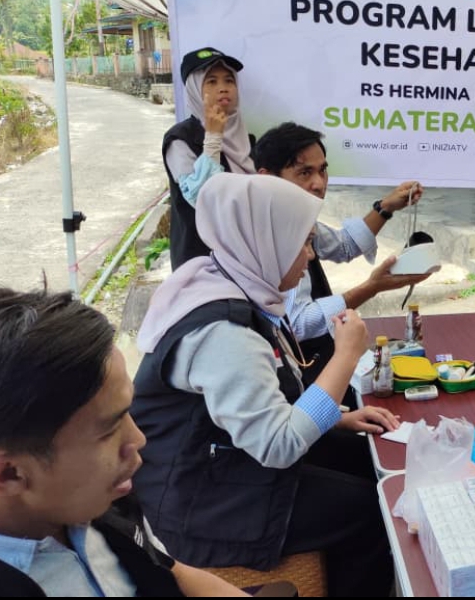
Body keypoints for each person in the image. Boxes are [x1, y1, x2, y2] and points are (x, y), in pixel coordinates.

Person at [132, 173, 398, 597]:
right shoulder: (224, 331)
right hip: (200, 502)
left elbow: (262, 404)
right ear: (264, 241)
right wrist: (346, 356)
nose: (310, 255)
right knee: (371, 510)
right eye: (303, 241)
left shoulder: (229, 280)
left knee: (364, 457)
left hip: (223, 463)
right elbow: (277, 446)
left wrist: (340, 418)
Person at [0, 285, 245, 597]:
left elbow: (170, 570)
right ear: (10, 474)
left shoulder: (95, 499)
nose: (138, 439)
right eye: (108, 431)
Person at [253, 122, 432, 389]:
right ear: (267, 179)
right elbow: (299, 324)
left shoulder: (299, 218)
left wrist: (386, 207)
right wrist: (372, 288)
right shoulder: (269, 233)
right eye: (304, 173)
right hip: (291, 381)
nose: (318, 184)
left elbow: (344, 245)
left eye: (322, 170)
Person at [162, 46, 255, 269]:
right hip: (202, 264)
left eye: (229, 81)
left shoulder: (249, 141)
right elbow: (201, 198)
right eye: (211, 82)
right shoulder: (181, 139)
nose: (223, 89)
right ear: (194, 89)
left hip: (245, 259)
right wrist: (213, 137)